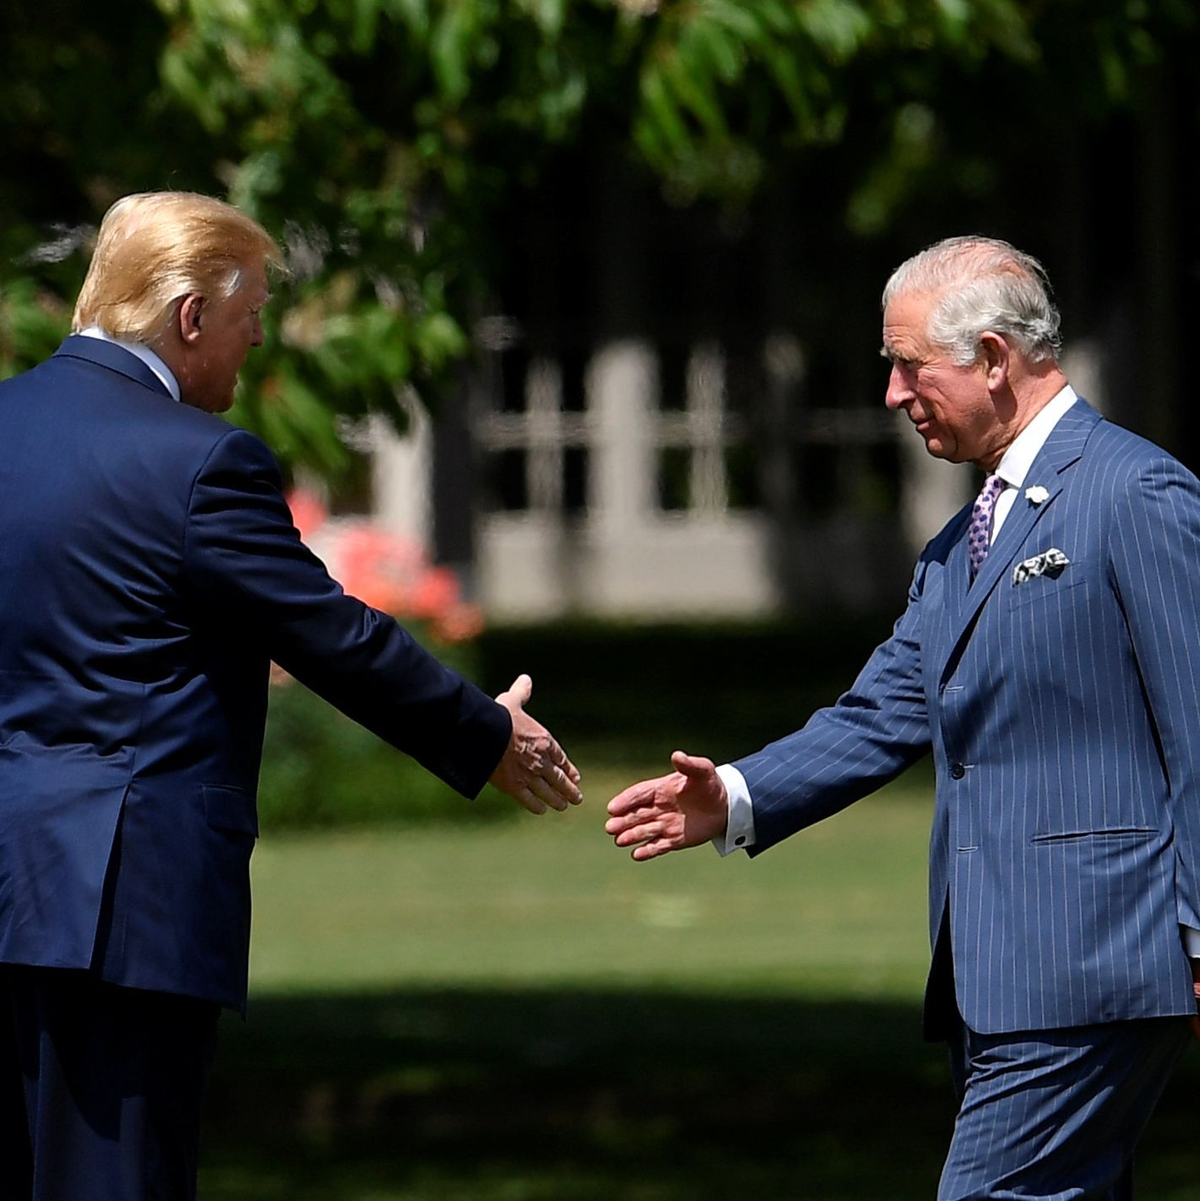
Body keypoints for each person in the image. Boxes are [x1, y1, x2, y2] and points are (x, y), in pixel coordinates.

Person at [0, 190, 582, 1200]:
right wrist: (486, 733)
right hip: (120, 915)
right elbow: (332, 636)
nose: (255, 346)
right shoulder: (197, 462)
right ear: (189, 317)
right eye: (250, 320)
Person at [606, 235, 1200, 1200]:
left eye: (909, 364)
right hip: (998, 975)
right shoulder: (953, 547)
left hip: (1096, 962)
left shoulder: (1136, 493)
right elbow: (881, 710)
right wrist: (739, 796)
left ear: (995, 359)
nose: (891, 391)